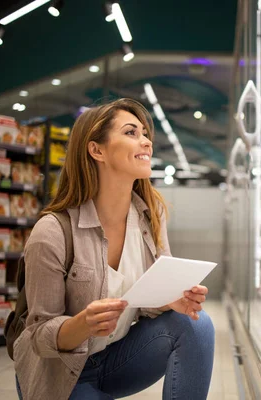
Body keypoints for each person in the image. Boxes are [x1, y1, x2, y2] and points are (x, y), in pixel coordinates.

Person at [13, 98, 215, 400]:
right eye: (131, 132)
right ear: (97, 150)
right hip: (60, 373)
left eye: (146, 134)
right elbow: (39, 337)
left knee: (196, 325)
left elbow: (148, 304)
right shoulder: (53, 231)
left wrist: (173, 300)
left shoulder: (151, 217)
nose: (146, 141)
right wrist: (82, 324)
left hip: (115, 359)